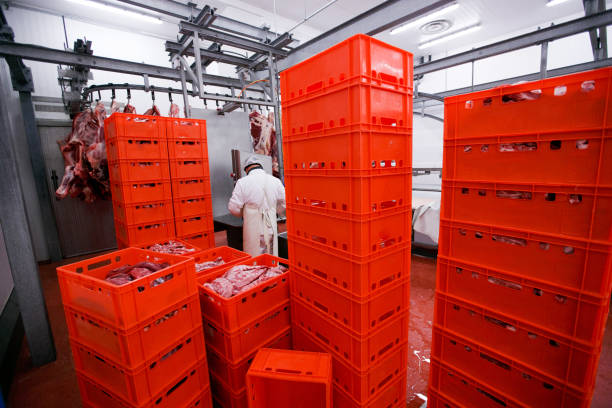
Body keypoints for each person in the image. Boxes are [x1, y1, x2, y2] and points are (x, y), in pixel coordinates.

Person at [228, 156, 286, 256]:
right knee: (271, 257)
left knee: (254, 260)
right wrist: (273, 211)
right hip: (270, 226)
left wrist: (245, 213)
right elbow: (284, 203)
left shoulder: (242, 182)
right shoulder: (275, 181)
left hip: (252, 228)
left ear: (246, 169)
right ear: (261, 167)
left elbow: (233, 208)